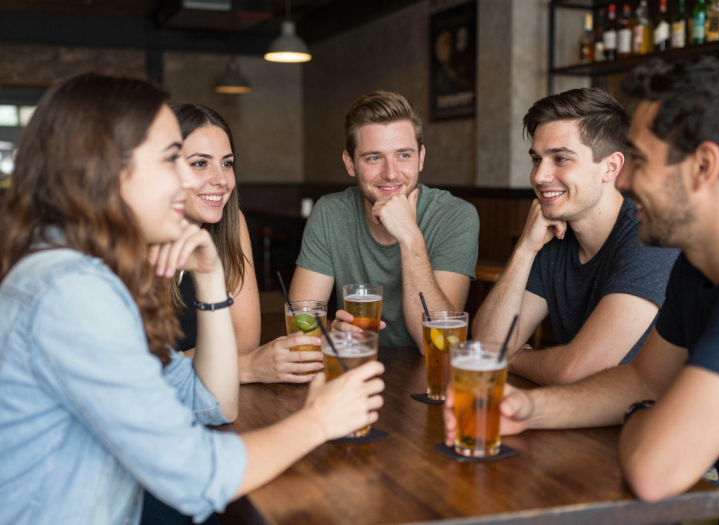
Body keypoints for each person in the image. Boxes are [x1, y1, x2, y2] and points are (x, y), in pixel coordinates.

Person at [0, 73, 385, 525]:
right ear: (104, 168)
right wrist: (319, 420)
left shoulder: (90, 272)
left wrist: (209, 277)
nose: (191, 179)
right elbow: (197, 474)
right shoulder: (72, 293)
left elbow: (214, 401)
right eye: (172, 159)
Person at [445, 52, 719, 524]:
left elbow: (654, 470)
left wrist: (642, 412)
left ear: (703, 166)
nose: (629, 181)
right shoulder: (698, 266)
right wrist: (531, 407)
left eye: (640, 160)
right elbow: (643, 379)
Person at [473, 88, 678, 386]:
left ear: (611, 167)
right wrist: (525, 250)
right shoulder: (554, 234)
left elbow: (578, 370)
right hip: (586, 417)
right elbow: (487, 347)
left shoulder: (650, 236)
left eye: (561, 159)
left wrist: (513, 358)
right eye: (536, 159)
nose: (539, 176)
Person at [289, 91, 480, 352]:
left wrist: (410, 237)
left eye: (403, 155)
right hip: (354, 368)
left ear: (421, 158)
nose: (391, 173)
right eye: (374, 158)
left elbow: (437, 344)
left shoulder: (456, 215)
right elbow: (302, 326)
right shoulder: (329, 212)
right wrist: (329, 335)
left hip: (424, 378)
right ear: (350, 163)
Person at [169, 103, 323, 384]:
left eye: (227, 163)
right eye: (200, 163)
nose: (221, 180)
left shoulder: (230, 221)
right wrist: (245, 368)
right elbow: (133, 374)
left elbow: (243, 342)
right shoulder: (128, 240)